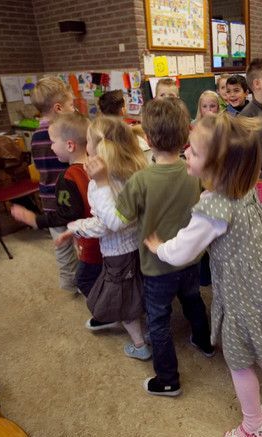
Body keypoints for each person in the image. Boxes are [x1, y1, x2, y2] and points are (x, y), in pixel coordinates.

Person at [144, 113, 262, 437]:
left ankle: (253, 426)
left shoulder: (213, 208)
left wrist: (158, 247)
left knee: (239, 361)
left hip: (243, 291)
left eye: (194, 152)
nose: (186, 153)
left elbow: (183, 252)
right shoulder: (245, 186)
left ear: (218, 167)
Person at [86, 99, 214, 397]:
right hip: (191, 259)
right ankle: (204, 341)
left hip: (158, 266)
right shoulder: (191, 172)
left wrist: (103, 183)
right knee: (193, 300)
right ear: (184, 137)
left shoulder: (141, 180)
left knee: (158, 321)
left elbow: (116, 221)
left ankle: (168, 379)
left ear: (149, 139)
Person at [55, 116, 150, 358]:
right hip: (139, 248)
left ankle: (140, 346)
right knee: (136, 291)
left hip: (118, 254)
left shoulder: (101, 183)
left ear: (99, 147)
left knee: (123, 302)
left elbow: (109, 223)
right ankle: (146, 331)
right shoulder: (133, 170)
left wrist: (75, 226)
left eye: (87, 140)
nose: (85, 145)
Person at [11, 113, 104, 300]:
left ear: (69, 145)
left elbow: (66, 214)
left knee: (84, 280)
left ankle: (106, 313)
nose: (51, 147)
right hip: (105, 237)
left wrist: (35, 220)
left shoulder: (68, 177)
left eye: (53, 142)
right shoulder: (99, 166)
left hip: (91, 240)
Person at [28, 76, 78, 292]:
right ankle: (82, 282)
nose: (74, 109)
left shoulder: (35, 136)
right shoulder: (62, 135)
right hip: (68, 200)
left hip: (49, 202)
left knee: (62, 247)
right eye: (71, 105)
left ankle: (69, 283)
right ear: (58, 108)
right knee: (80, 242)